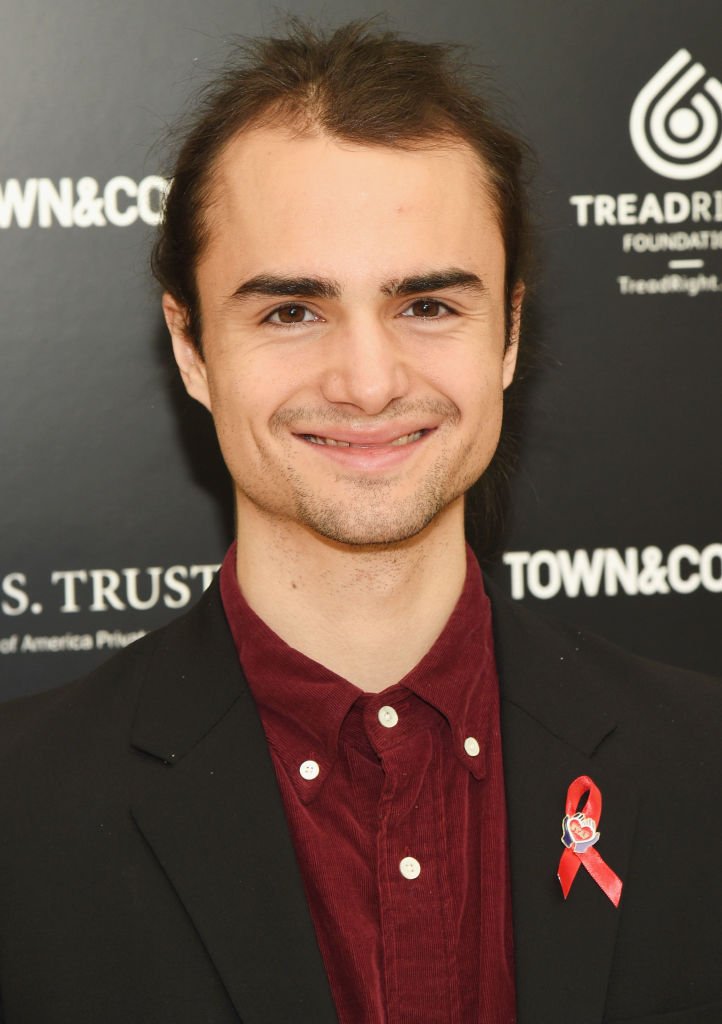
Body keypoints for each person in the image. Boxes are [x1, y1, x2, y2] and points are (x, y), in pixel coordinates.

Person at [0, 20, 720, 1024]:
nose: (368, 382)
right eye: (291, 310)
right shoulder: (20, 815)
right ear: (192, 346)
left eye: (426, 304)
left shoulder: (699, 763)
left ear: (507, 332)